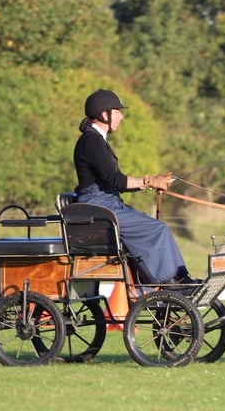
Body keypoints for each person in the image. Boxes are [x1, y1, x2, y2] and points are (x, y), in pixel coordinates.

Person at [73, 88, 198, 286]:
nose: (121, 116)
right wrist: (150, 182)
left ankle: (177, 277)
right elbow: (115, 180)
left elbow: (113, 182)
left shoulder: (96, 140)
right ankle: (169, 281)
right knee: (157, 229)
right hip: (100, 207)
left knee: (158, 227)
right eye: (117, 111)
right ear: (104, 114)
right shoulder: (91, 141)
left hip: (108, 204)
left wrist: (152, 181)